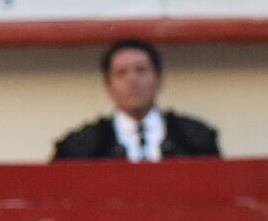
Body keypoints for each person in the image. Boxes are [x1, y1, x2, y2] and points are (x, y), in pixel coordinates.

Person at [53, 38, 220, 162]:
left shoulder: (196, 138)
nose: (132, 81)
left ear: (159, 80)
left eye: (141, 70)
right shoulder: (81, 147)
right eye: (121, 73)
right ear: (108, 86)